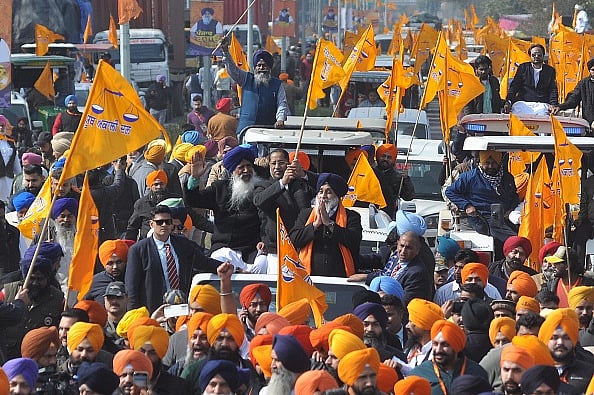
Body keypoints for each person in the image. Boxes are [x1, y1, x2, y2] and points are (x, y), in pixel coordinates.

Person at [125, 205, 219, 312]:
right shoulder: (138, 250)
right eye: (160, 222)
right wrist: (134, 317)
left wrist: (228, 268)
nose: (164, 225)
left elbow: (203, 262)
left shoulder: (182, 243)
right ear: (152, 224)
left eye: (168, 222)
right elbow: (131, 288)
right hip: (154, 310)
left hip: (182, 307)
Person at [290, 173, 362, 277]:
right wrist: (315, 224)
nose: (323, 196)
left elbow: (354, 241)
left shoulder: (351, 216)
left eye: (328, 192)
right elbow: (293, 240)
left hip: (340, 280)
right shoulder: (306, 214)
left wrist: (329, 224)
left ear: (337, 196)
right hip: (308, 278)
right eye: (320, 192)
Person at [252, 149, 312, 274]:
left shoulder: (300, 184)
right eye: (273, 163)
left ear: (289, 164)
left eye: (281, 163)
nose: (277, 167)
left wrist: (303, 174)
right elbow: (259, 201)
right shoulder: (264, 185)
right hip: (275, 250)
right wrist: (282, 183)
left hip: (301, 247)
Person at [445, 150, 520, 247]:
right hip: (481, 217)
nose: (490, 166)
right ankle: (517, 244)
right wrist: (467, 205)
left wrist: (511, 209)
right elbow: (450, 191)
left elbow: (514, 196)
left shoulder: (507, 178)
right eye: (487, 163)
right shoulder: (469, 177)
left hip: (504, 216)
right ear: (480, 162)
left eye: (493, 163)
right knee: (509, 237)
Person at [220, 39, 289, 133]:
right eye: (259, 65)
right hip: (246, 129)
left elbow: (282, 103)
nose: (261, 68)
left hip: (268, 129)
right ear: (255, 67)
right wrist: (225, 51)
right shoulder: (246, 79)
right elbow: (233, 70)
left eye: (264, 66)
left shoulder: (277, 84)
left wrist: (280, 119)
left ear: (269, 67)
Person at [410, 320, 488, 393]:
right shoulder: (419, 374)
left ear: (456, 347)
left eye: (445, 345)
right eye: (435, 344)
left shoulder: (476, 372)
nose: (438, 350)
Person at [538, 308, 594, 393]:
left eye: (567, 338)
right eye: (554, 338)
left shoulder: (589, 372)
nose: (560, 342)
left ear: (574, 341)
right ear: (546, 340)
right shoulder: (534, 370)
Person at [503, 44, 558, 114]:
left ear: (543, 55)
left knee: (544, 114)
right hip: (523, 103)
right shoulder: (523, 68)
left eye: (539, 55)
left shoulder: (549, 71)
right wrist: (509, 101)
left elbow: (552, 89)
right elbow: (514, 86)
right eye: (534, 55)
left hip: (541, 104)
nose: (536, 57)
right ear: (530, 56)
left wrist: (553, 104)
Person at [374, 144, 415, 218]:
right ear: (377, 157)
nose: (385, 159)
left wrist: (405, 179)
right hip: (370, 210)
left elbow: (408, 196)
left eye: (389, 157)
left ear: (393, 160)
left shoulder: (398, 177)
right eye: (383, 156)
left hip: (388, 215)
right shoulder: (370, 173)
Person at [555, 58, 594, 131]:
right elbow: (574, 98)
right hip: (590, 123)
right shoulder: (584, 83)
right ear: (589, 70)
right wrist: (560, 107)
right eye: (593, 70)